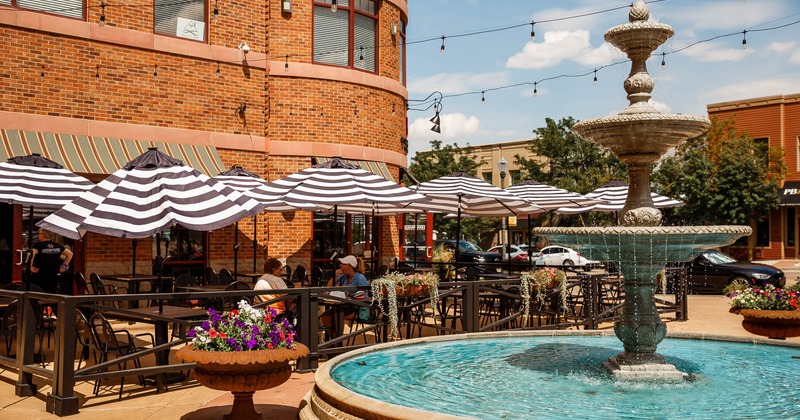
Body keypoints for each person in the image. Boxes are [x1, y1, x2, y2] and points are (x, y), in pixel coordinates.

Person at [320, 255, 369, 334]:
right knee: (325, 316)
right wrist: (335, 276)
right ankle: (334, 339)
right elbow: (328, 287)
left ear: (350, 266)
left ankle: (339, 341)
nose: (340, 266)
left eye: (343, 264)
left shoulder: (360, 278)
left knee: (337, 314)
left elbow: (362, 295)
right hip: (344, 306)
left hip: (358, 309)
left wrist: (349, 297)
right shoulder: (343, 276)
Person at [29, 228, 73, 294]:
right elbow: (70, 254)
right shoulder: (57, 246)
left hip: (40, 275)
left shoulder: (38, 246)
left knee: (39, 294)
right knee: (52, 295)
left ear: (43, 235)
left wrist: (31, 267)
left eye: (38, 234)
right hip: (53, 276)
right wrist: (63, 267)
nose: (38, 236)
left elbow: (31, 254)